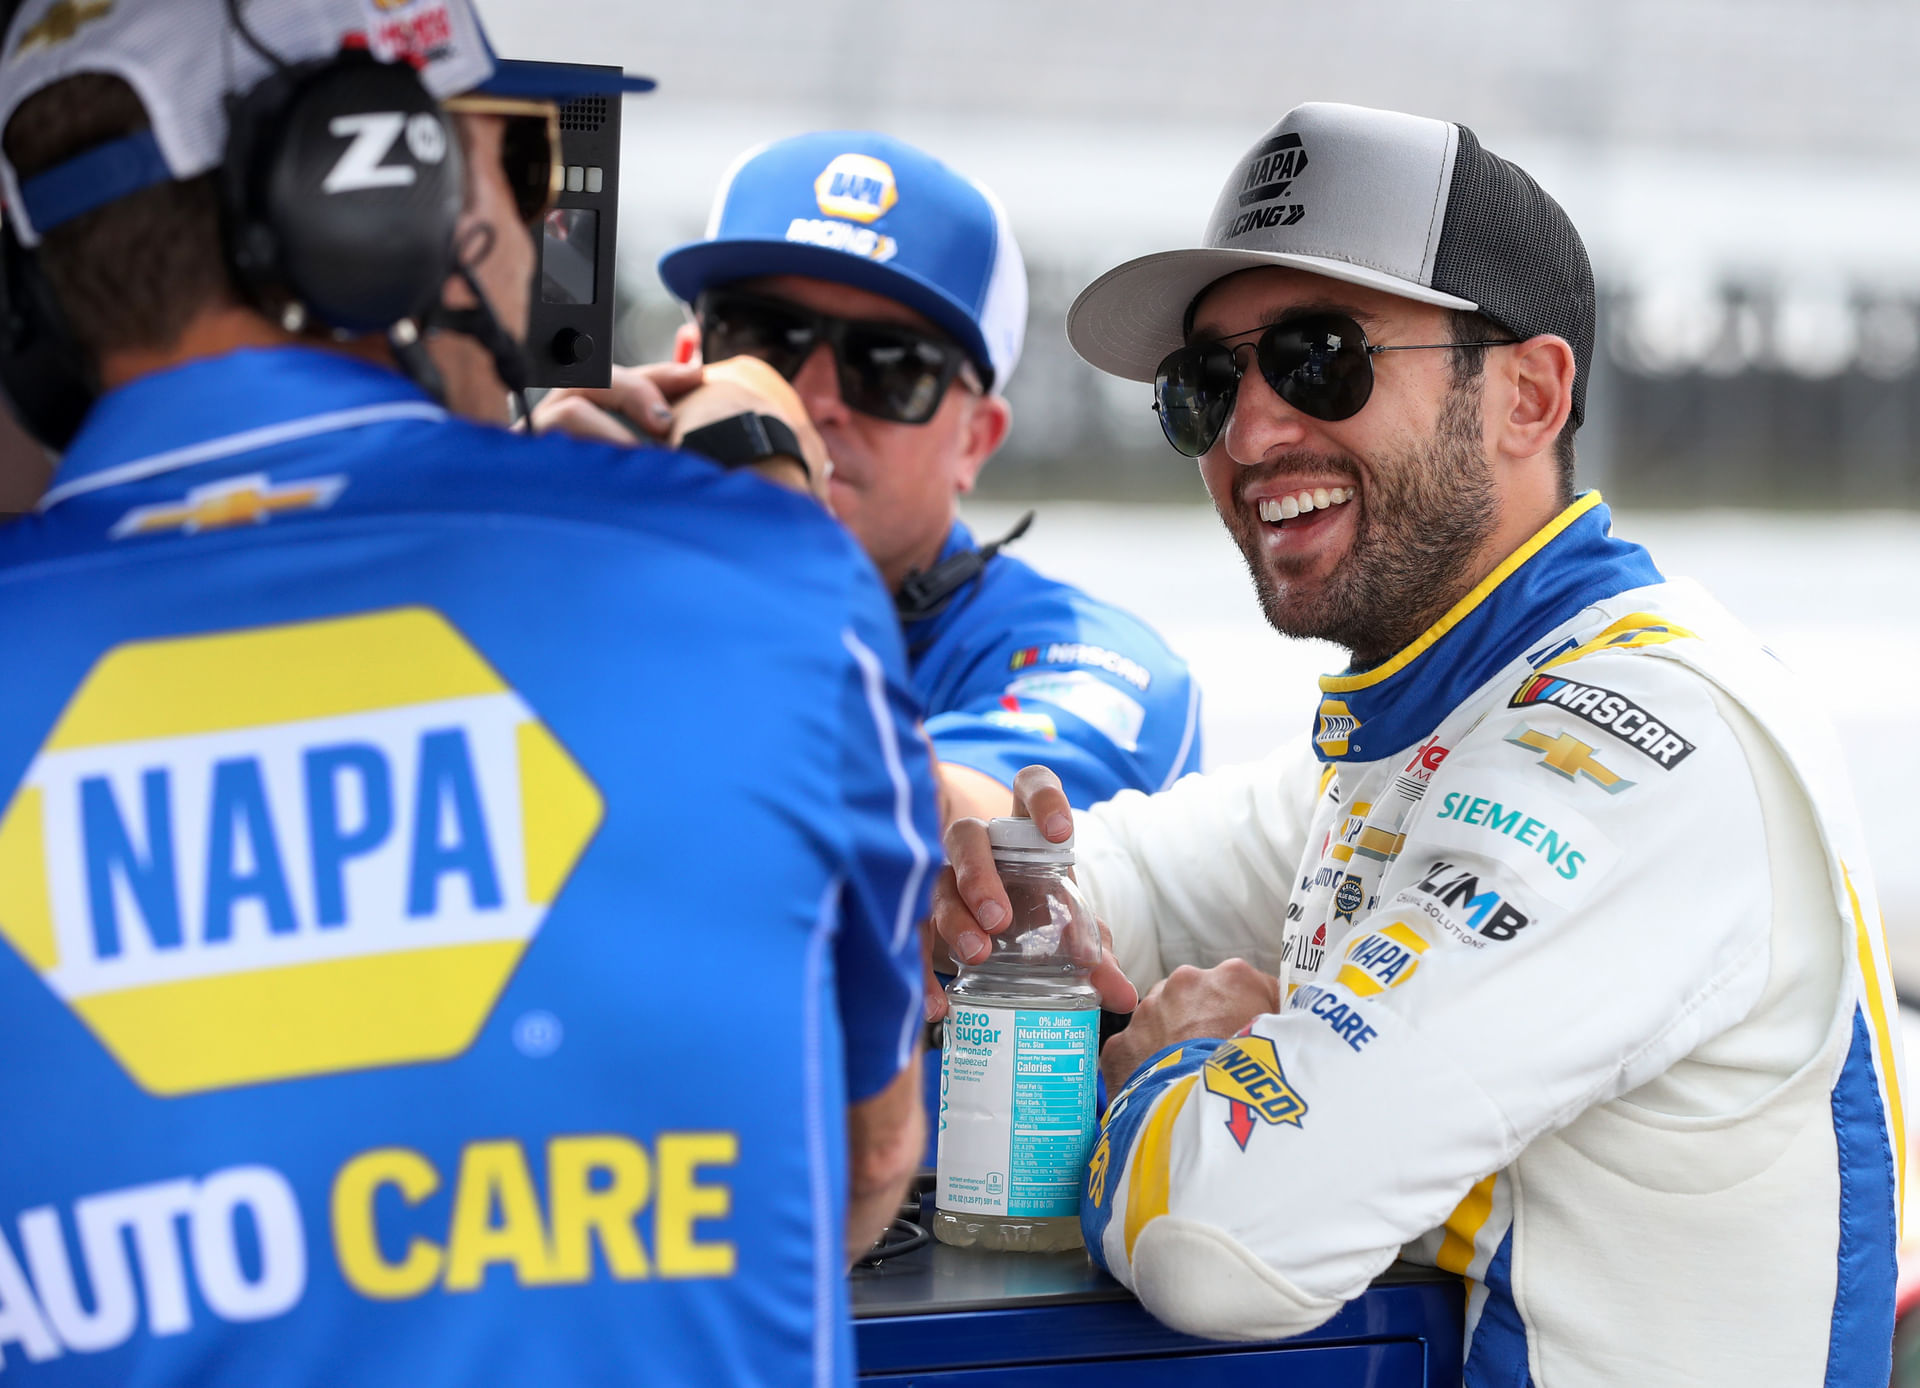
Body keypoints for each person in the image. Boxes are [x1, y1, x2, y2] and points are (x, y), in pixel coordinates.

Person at [0, 3, 935, 1384]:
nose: (541, 246)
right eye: (528, 175)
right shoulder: (760, 574)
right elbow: (870, 1163)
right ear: (368, 188)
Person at [933, 102, 1903, 1384]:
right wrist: (991, 894)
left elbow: (1224, 1234)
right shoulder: (1439, 722)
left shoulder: (1648, 739)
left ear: (1529, 393)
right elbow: (1106, 875)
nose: (1249, 432)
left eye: (1321, 357)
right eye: (1207, 383)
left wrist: (1162, 1071)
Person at [539, 132, 1202, 828]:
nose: (818, 398)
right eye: (764, 339)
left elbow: (948, 853)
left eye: (891, 365)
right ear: (683, 365)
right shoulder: (582, 581)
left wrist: (765, 559)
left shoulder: (1099, 666)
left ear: (975, 442)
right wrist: (492, 549)